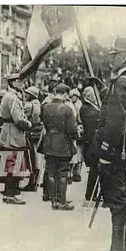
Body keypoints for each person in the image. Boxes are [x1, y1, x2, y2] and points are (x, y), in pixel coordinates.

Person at [87, 38, 126, 251]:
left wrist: (103, 151)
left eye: (114, 55)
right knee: (123, 199)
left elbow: (115, 120)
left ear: (123, 57)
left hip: (116, 149)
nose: (111, 59)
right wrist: (103, 88)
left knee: (115, 199)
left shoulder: (121, 82)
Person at [41, 83, 77, 211]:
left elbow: (44, 123)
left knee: (50, 171)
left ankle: (53, 201)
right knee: (62, 172)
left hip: (49, 142)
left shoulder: (45, 107)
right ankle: (62, 202)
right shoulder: (67, 109)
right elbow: (72, 130)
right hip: (62, 144)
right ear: (66, 94)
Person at [0, 73, 32, 205]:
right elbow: (18, 119)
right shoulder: (13, 98)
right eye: (20, 82)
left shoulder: (8, 96)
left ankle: (9, 192)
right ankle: (10, 194)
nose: (22, 84)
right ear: (14, 83)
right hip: (14, 133)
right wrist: (28, 124)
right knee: (13, 164)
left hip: (8, 132)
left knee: (10, 163)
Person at [80, 86, 101, 207]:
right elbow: (91, 128)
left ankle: (93, 195)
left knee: (96, 170)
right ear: (89, 97)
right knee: (94, 170)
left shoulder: (92, 108)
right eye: (94, 95)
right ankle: (90, 196)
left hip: (93, 143)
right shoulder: (87, 109)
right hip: (92, 144)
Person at [21, 86, 42, 192]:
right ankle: (34, 182)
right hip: (37, 133)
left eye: (28, 93)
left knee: (31, 158)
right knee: (35, 158)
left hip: (30, 132)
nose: (26, 95)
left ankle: (31, 183)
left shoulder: (29, 105)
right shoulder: (38, 104)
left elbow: (21, 116)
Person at [68, 89, 83, 182]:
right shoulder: (75, 104)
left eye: (72, 96)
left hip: (79, 129)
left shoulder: (78, 105)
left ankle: (77, 173)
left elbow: (79, 119)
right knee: (77, 152)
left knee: (79, 153)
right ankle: (76, 173)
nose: (71, 98)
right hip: (77, 128)